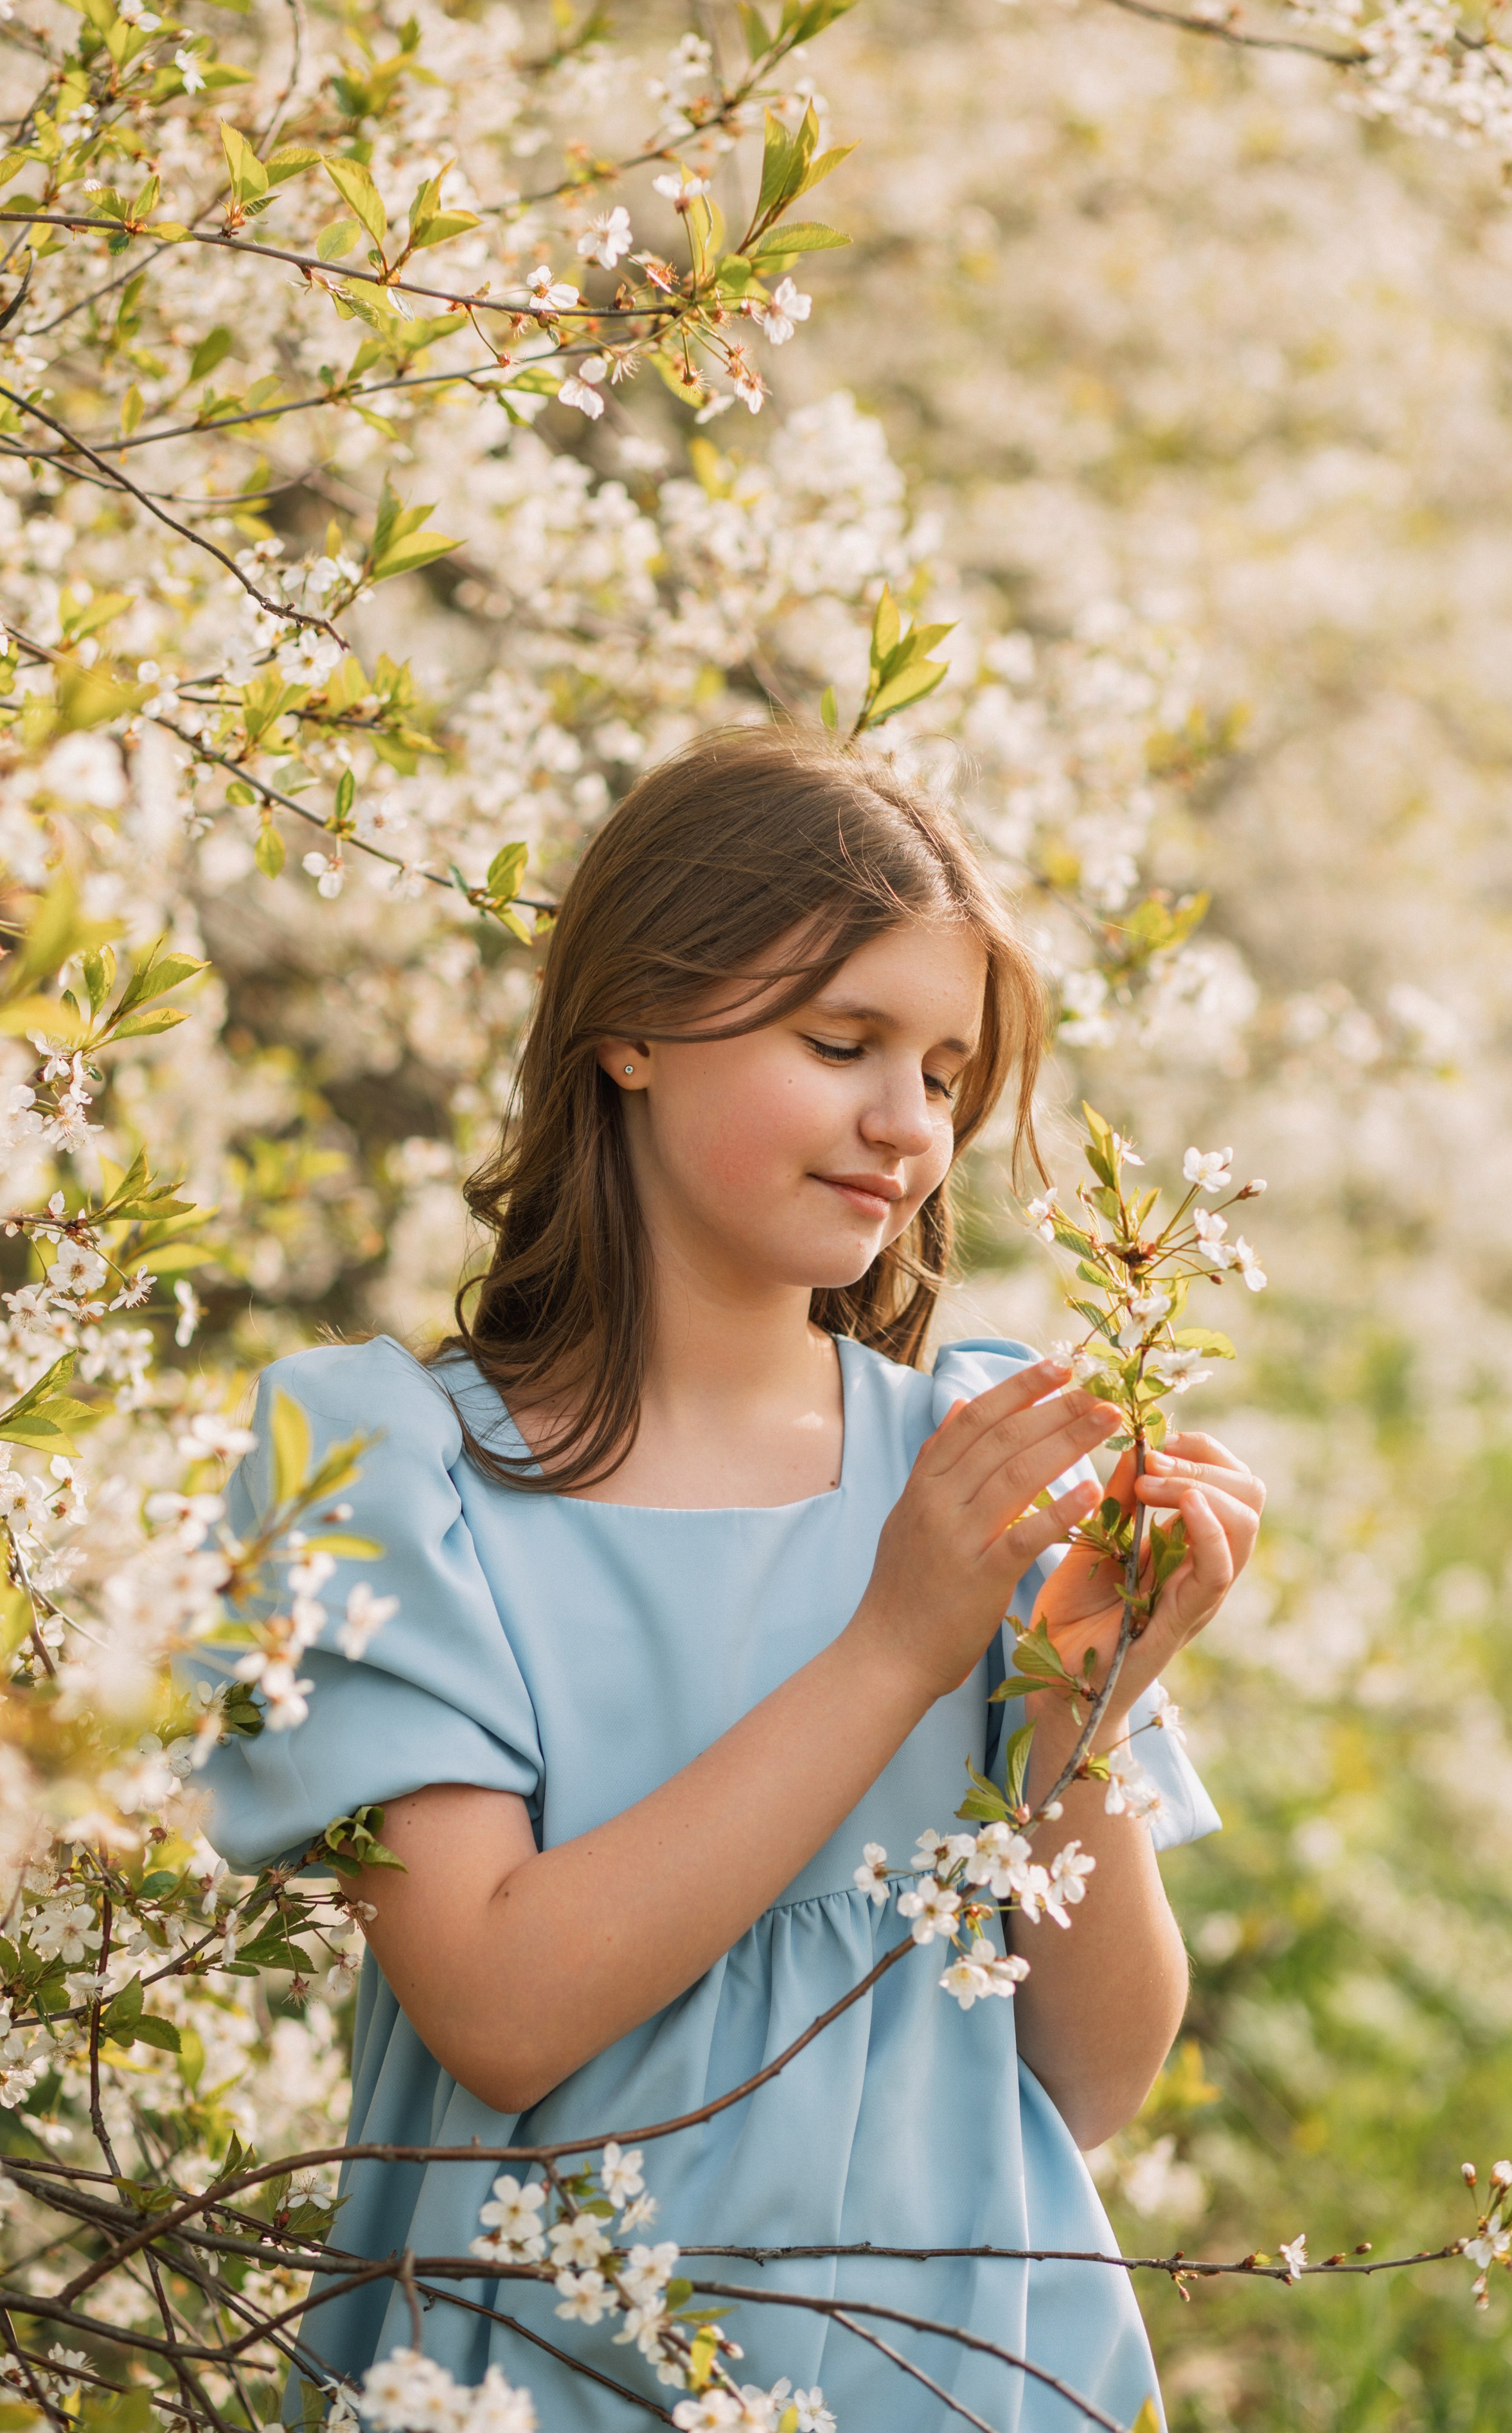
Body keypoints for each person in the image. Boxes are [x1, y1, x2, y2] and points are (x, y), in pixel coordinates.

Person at [200, 727, 1263, 2432]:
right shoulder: (381, 1474)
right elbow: (499, 2006)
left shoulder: (975, 1465)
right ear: (629, 1023)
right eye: (841, 1041)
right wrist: (894, 1647)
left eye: (942, 1071)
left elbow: (1089, 2077)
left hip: (974, 2387)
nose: (903, 1125)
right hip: (526, 2378)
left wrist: (1083, 1709)